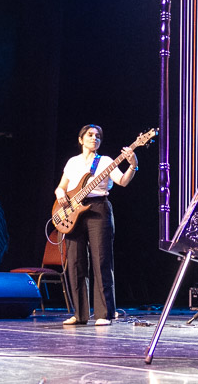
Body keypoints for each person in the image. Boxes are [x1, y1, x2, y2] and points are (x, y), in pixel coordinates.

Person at [54, 124, 138, 326]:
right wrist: (59, 193)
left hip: (98, 208)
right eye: (90, 135)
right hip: (73, 211)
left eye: (98, 136)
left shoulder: (106, 161)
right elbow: (61, 187)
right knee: (75, 263)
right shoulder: (72, 162)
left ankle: (104, 314)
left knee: (102, 261)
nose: (94, 138)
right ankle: (80, 313)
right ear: (81, 139)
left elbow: (122, 182)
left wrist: (133, 165)